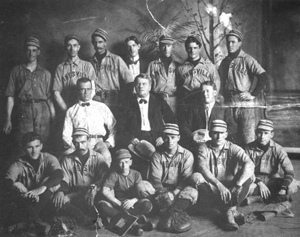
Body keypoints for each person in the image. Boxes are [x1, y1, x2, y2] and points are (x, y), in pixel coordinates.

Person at [193, 120, 254, 231]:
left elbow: (249, 163)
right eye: (215, 132)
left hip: (231, 187)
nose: (219, 136)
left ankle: (227, 210)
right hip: (213, 185)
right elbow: (203, 168)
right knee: (195, 176)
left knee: (247, 176)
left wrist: (238, 184)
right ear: (210, 134)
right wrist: (219, 185)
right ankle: (231, 211)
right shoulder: (203, 147)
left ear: (226, 134)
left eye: (222, 133)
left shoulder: (233, 147)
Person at [3, 37, 55, 159]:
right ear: (24, 51)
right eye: (28, 50)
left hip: (42, 111)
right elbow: (10, 95)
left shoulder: (46, 73)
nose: (31, 53)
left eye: (34, 50)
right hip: (23, 110)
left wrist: (53, 117)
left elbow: (49, 98)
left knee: (42, 143)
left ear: (39, 52)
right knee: (23, 144)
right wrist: (8, 119)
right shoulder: (16, 71)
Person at [5, 132, 63, 235]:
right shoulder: (18, 163)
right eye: (29, 147)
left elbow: (59, 174)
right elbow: (7, 181)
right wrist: (18, 189)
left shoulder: (49, 158)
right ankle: (37, 222)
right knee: (15, 187)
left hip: (45, 201)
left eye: (37, 146)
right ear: (23, 148)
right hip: (28, 200)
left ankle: (29, 222)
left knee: (51, 181)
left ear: (41, 146)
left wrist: (44, 187)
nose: (34, 151)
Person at [219, 29, 268, 147]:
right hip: (229, 102)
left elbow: (263, 76)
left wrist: (253, 94)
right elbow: (220, 81)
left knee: (247, 139)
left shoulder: (247, 59)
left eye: (233, 42)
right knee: (230, 138)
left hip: (244, 103)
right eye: (228, 42)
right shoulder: (225, 62)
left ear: (240, 43)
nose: (230, 45)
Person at [52, 128, 110, 226]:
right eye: (76, 143)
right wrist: (61, 191)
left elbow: (105, 178)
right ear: (73, 143)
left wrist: (95, 186)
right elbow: (64, 179)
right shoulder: (68, 159)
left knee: (100, 204)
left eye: (83, 142)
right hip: (75, 193)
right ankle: (87, 219)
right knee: (60, 201)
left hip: (92, 192)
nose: (80, 146)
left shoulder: (98, 157)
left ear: (89, 141)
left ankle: (98, 218)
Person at [97, 149, 153, 236]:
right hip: (117, 205)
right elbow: (104, 190)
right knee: (102, 205)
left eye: (126, 162)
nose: (124, 165)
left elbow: (141, 193)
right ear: (117, 163)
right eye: (121, 162)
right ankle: (136, 224)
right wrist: (118, 203)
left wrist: (133, 200)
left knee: (147, 204)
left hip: (132, 205)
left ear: (130, 162)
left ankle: (125, 220)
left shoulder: (136, 174)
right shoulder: (114, 175)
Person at [62, 77, 116, 162]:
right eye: (82, 89)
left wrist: (108, 143)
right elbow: (66, 134)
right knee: (65, 159)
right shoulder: (71, 110)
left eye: (88, 89)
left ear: (92, 90)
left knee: (106, 156)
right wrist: (74, 146)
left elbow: (114, 127)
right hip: (79, 143)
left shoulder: (101, 107)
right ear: (78, 91)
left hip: (98, 143)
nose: (86, 92)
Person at [244, 119, 296, 204]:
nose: (262, 136)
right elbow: (244, 170)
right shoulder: (248, 148)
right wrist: (259, 183)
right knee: (245, 189)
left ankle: (259, 198)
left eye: (266, 133)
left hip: (272, 179)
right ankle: (272, 198)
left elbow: (289, 171)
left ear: (271, 134)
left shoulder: (278, 149)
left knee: (291, 186)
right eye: (259, 132)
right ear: (256, 133)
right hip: (254, 180)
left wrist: (283, 188)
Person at [119, 73, 177, 148]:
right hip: (136, 139)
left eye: (144, 84)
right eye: (138, 84)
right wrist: (130, 138)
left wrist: (163, 137)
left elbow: (172, 120)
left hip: (157, 139)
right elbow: (121, 124)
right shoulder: (127, 103)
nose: (141, 87)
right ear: (135, 87)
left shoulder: (158, 100)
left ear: (149, 87)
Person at [180, 81, 236, 150]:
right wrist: (193, 137)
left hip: (217, 146)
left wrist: (219, 136)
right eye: (203, 91)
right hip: (198, 146)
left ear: (214, 93)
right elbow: (185, 127)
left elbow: (232, 127)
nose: (205, 94)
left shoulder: (223, 109)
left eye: (207, 91)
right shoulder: (193, 108)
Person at [177, 35, 220, 122]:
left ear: (199, 48)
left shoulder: (209, 66)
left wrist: (212, 101)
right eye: (189, 48)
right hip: (186, 102)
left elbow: (217, 84)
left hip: (202, 100)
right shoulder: (180, 68)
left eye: (195, 48)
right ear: (186, 49)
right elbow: (178, 86)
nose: (192, 51)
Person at [90, 28, 134, 114]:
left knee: (114, 125)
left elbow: (130, 81)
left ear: (105, 43)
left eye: (100, 42)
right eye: (95, 42)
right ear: (92, 43)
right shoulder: (89, 63)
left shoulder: (116, 59)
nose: (97, 45)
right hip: (96, 99)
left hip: (113, 98)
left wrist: (123, 99)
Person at [53, 35, 97, 112]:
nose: (72, 49)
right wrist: (67, 110)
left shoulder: (87, 65)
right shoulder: (60, 68)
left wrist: (84, 106)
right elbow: (56, 93)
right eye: (69, 45)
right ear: (65, 48)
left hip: (84, 108)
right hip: (67, 106)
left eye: (74, 45)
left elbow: (92, 89)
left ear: (78, 47)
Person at [147, 35, 179, 114]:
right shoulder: (153, 65)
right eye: (163, 46)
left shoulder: (178, 65)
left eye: (168, 46)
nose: (166, 49)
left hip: (174, 100)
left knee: (173, 124)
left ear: (172, 47)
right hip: (158, 99)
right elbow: (147, 84)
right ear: (159, 47)